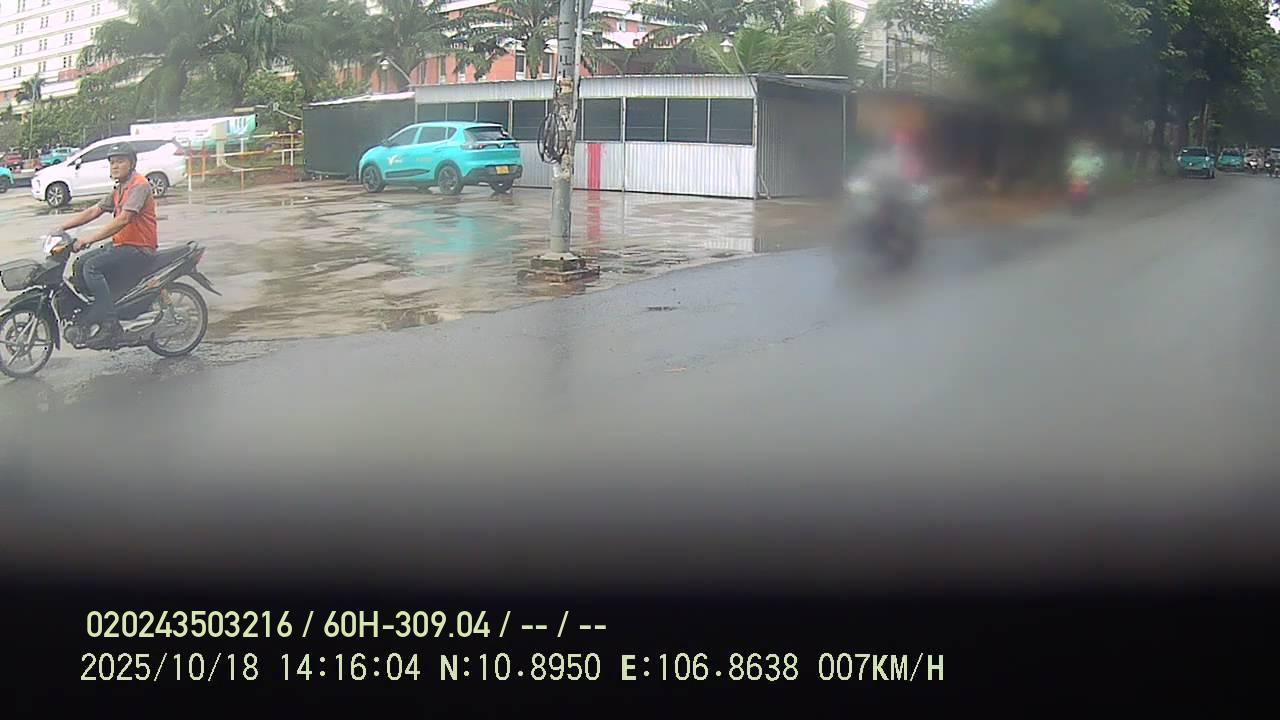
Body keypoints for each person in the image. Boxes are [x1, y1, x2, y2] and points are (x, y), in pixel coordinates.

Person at [53, 142, 158, 347]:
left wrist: (89, 239)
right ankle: (96, 311)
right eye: (112, 162)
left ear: (132, 163)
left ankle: (111, 324)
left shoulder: (139, 185)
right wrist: (62, 227)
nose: (115, 166)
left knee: (92, 268)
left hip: (140, 247)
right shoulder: (120, 188)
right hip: (123, 244)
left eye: (120, 161)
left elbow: (123, 219)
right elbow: (95, 211)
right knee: (80, 264)